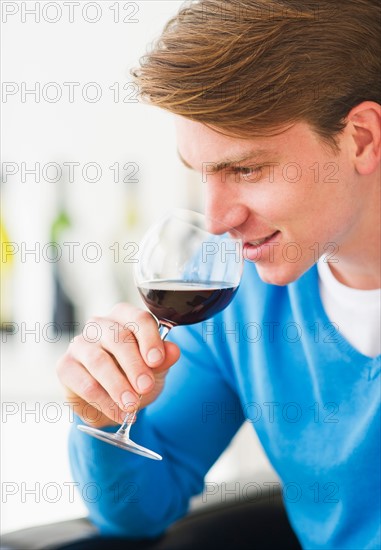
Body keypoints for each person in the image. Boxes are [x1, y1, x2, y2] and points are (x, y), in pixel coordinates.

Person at [56, 1, 381, 548]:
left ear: (361, 139)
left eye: (247, 169)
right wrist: (103, 417)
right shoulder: (241, 299)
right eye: (202, 174)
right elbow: (140, 512)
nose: (216, 219)